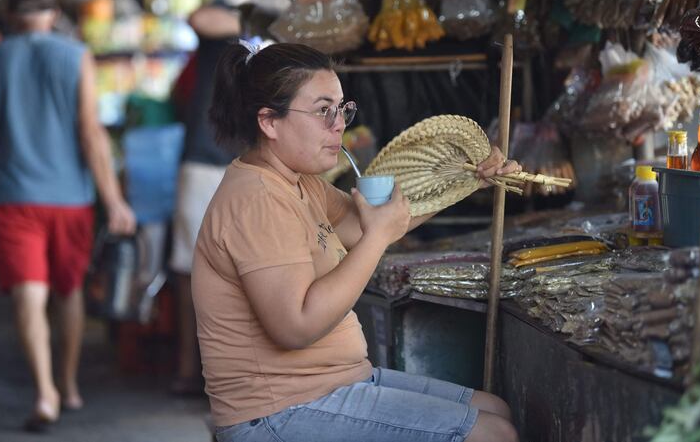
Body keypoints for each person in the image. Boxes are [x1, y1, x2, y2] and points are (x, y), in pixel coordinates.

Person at [192, 41, 521, 442]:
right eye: (322, 110)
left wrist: (469, 180)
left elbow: (372, 223)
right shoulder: (257, 199)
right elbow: (295, 326)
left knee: (493, 410)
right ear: (269, 122)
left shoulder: (299, 184)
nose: (338, 125)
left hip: (331, 384)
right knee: (493, 434)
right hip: (278, 413)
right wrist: (378, 238)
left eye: (342, 109)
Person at [0, 0, 136, 432]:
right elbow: (91, 133)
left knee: (27, 294)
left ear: (11, 15)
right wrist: (113, 200)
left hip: (11, 194)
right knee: (68, 290)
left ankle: (45, 393)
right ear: (54, 14)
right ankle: (69, 383)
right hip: (70, 197)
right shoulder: (76, 56)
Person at [168, 3, 240, 395]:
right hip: (202, 162)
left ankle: (224, 374)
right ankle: (186, 369)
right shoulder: (229, 30)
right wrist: (257, 20)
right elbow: (197, 17)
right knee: (189, 270)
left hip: (248, 164)